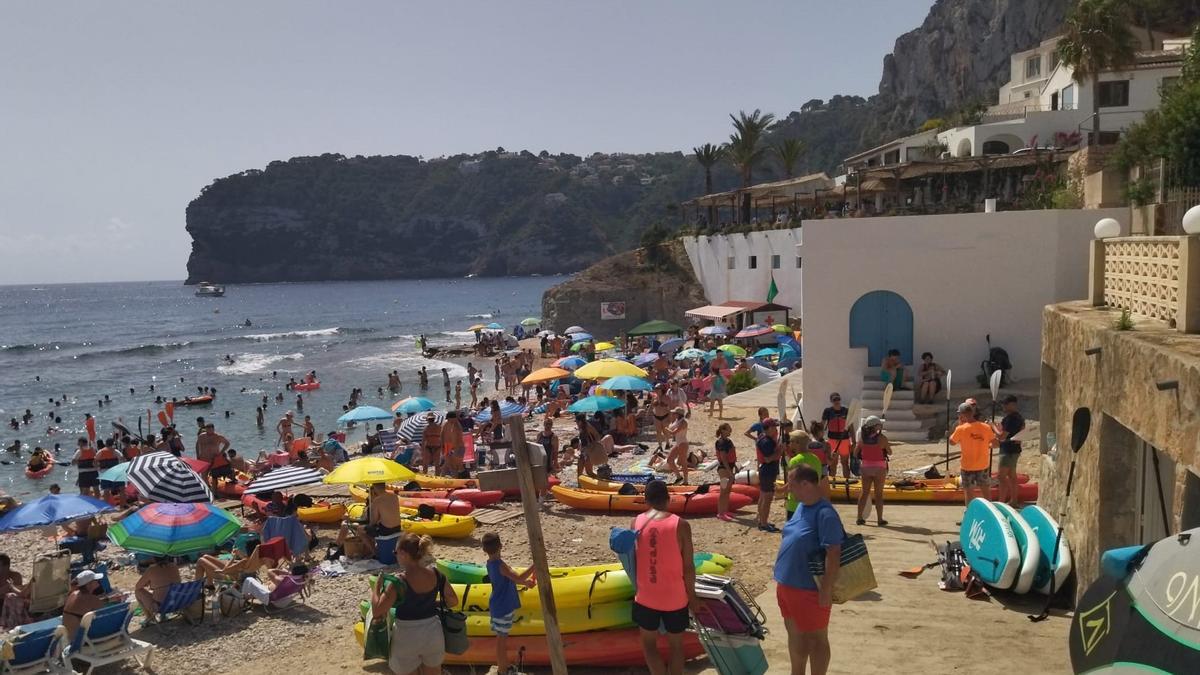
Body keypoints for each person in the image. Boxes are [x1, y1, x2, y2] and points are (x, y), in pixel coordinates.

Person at [774, 465, 844, 675]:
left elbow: (834, 554)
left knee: (816, 640)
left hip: (809, 590)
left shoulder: (825, 513)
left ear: (805, 484)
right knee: (795, 636)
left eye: (791, 484)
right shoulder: (802, 506)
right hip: (787, 585)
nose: (788, 488)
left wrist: (826, 589)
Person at [632, 480, 698, 675]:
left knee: (649, 644)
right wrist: (692, 597)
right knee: (677, 646)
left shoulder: (636, 522)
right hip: (675, 598)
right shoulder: (681, 525)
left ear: (646, 500)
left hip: (646, 595)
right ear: (668, 500)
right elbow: (688, 567)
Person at [370, 534, 457, 675]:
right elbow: (453, 601)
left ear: (403, 554)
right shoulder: (436, 574)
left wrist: (376, 589)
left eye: (396, 553)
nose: (395, 556)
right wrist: (430, 603)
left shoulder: (398, 582)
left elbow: (377, 611)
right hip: (433, 633)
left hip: (406, 636)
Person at [481, 533, 535, 672]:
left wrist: (525, 583)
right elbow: (518, 577)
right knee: (501, 642)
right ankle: (503, 670)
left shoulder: (490, 563)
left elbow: (510, 579)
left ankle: (503, 667)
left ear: (484, 550)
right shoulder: (500, 565)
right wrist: (535, 565)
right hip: (503, 607)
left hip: (497, 605)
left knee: (500, 640)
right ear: (501, 546)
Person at [950, 402, 997, 506]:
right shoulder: (985, 427)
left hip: (967, 466)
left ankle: (969, 513)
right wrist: (985, 445)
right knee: (986, 490)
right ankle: (990, 512)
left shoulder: (961, 429)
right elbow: (995, 444)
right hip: (982, 464)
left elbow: (952, 442)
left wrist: (959, 424)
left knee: (969, 492)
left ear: (962, 414)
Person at [339, 483, 402, 557]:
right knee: (369, 529)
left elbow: (373, 522)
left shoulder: (377, 501)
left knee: (360, 529)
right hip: (397, 527)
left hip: (386, 530)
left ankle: (375, 553)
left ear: (375, 489)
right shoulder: (394, 496)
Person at [854, 416, 891, 526]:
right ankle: (880, 519)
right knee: (878, 494)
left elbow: (856, 453)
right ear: (875, 426)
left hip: (865, 468)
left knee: (865, 493)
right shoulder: (882, 438)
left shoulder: (862, 439)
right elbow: (889, 452)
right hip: (879, 468)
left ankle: (859, 518)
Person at [994, 395, 1025, 506]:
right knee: (1012, 476)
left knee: (1001, 477)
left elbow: (1002, 436)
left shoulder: (1010, 419)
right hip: (1015, 450)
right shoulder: (1019, 418)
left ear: (1012, 405)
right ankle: (1013, 500)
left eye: (1006, 404)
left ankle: (1001, 502)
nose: (1003, 406)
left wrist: (993, 428)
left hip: (1008, 450)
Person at [62, 570, 110, 638]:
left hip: (69, 637)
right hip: (81, 640)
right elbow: (105, 614)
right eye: (95, 580)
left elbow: (86, 605)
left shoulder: (73, 594)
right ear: (88, 584)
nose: (98, 581)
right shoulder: (91, 599)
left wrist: (108, 599)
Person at [239, 563, 309, 608]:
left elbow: (269, 571)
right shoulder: (303, 580)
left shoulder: (284, 580)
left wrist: (286, 572)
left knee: (249, 579)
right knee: (264, 586)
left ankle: (242, 599)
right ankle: (246, 597)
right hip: (285, 600)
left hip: (273, 599)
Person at [134, 556, 182, 622]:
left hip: (160, 606)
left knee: (138, 591)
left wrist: (149, 582)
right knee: (165, 591)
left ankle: (150, 619)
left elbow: (138, 586)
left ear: (154, 558)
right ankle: (163, 616)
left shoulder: (151, 569)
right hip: (177, 601)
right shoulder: (174, 566)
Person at [755, 419, 782, 533]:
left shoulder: (762, 437)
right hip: (768, 470)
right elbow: (769, 458)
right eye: (773, 427)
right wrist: (781, 449)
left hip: (765, 470)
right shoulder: (766, 442)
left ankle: (762, 521)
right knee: (767, 497)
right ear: (769, 428)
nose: (775, 429)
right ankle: (764, 523)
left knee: (763, 496)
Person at [820, 394, 855, 484]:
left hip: (844, 440)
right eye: (834, 399)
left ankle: (847, 482)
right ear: (831, 401)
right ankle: (832, 483)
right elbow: (822, 425)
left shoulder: (846, 411)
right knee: (833, 464)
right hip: (832, 441)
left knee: (845, 463)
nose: (837, 401)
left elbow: (851, 426)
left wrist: (854, 441)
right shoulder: (827, 411)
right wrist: (820, 438)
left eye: (838, 399)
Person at [714, 423, 737, 522]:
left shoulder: (728, 441)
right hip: (724, 470)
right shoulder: (721, 442)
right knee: (723, 491)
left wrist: (735, 467)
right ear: (723, 430)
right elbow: (723, 459)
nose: (730, 430)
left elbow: (732, 456)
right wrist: (729, 472)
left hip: (729, 468)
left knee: (727, 491)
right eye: (728, 429)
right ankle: (720, 512)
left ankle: (725, 511)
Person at [665, 408, 689, 485]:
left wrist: (666, 429)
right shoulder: (677, 421)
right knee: (669, 460)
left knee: (683, 462)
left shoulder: (683, 422)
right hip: (678, 443)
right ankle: (679, 477)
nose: (673, 414)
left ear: (678, 414)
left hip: (683, 443)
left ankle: (686, 481)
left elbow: (674, 432)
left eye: (675, 413)